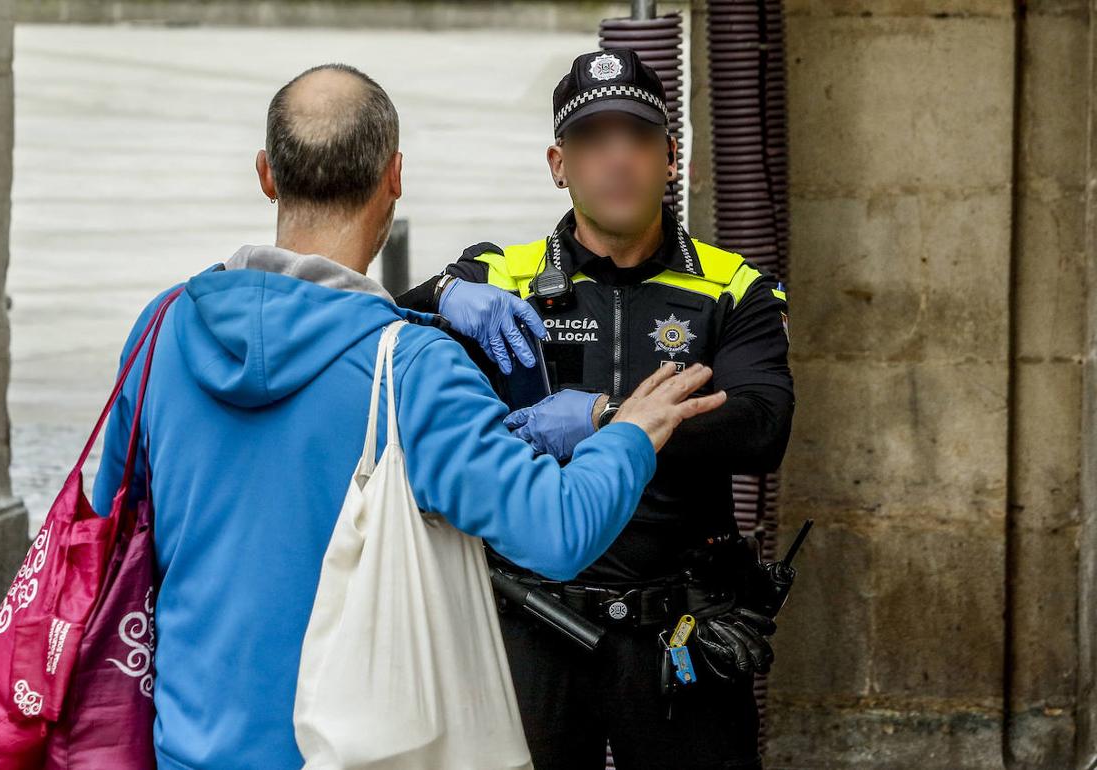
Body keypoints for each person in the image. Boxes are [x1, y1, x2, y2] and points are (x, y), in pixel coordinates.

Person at [91, 62, 726, 770]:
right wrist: (631, 432)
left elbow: (111, 525)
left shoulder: (162, 330)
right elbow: (558, 528)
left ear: (267, 175)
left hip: (183, 744)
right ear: (395, 177)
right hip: (347, 752)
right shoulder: (411, 368)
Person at [395, 49, 795, 770]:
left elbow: (762, 426)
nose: (618, 159)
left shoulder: (734, 288)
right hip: (528, 624)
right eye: (592, 140)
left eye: (638, 138)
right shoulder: (501, 275)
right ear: (559, 163)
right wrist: (442, 293)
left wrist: (609, 417)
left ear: (671, 158)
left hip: (678, 632)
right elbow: (370, 330)